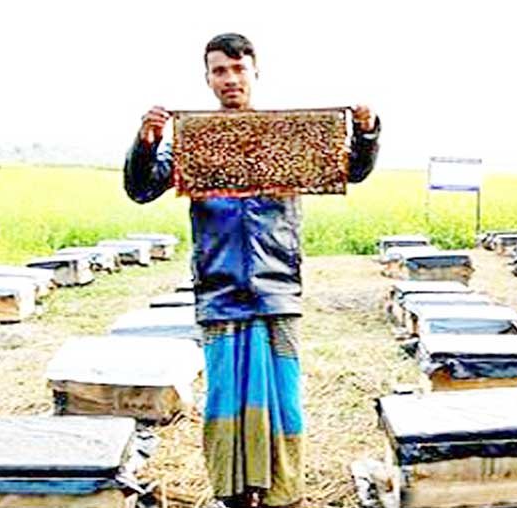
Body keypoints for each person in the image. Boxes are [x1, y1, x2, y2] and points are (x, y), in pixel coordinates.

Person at [123, 33, 380, 507]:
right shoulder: (193, 140)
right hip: (219, 292)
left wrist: (366, 133)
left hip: (278, 288)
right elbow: (141, 188)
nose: (231, 79)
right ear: (207, 78)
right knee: (226, 403)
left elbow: (352, 170)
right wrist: (147, 141)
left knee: (283, 401)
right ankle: (233, 496)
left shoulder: (288, 136)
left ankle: (285, 495)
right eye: (220, 71)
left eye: (239, 69)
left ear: (255, 72)